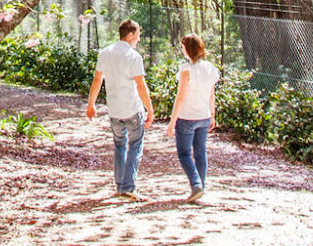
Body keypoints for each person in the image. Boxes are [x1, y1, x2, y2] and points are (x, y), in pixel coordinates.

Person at [86, 19, 155, 201]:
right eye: (138, 35)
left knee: (119, 146)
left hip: (114, 110)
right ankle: (128, 186)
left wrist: (91, 104)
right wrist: (150, 109)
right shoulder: (133, 56)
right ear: (130, 35)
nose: (138, 40)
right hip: (132, 109)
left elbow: (97, 80)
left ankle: (119, 186)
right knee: (135, 145)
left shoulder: (105, 53)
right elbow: (141, 86)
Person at [165, 33, 220, 203]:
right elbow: (212, 94)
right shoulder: (210, 68)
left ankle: (196, 185)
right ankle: (200, 187)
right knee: (200, 152)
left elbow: (181, 96)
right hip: (204, 116)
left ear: (188, 49)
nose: (181, 50)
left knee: (184, 153)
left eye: (182, 47)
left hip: (187, 117)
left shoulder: (186, 69)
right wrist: (212, 115)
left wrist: (172, 121)